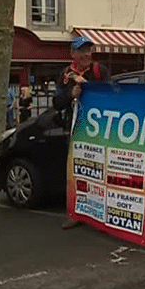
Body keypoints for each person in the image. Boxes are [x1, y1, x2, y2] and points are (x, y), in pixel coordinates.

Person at [53, 36, 111, 229]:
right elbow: (56, 103)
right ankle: (74, 213)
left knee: (100, 170)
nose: (86, 54)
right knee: (76, 172)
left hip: (99, 131)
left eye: (89, 50)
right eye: (82, 50)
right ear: (73, 54)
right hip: (76, 130)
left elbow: (112, 95)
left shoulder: (99, 71)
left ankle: (100, 213)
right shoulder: (65, 74)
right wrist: (71, 94)